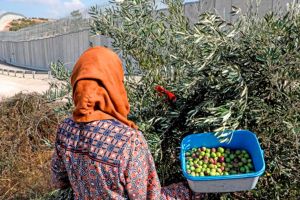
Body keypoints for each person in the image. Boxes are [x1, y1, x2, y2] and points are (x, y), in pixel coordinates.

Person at [51, 46, 200, 199]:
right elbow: (147, 196)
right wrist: (190, 191)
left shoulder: (65, 129)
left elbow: (59, 181)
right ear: (114, 84)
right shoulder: (129, 140)